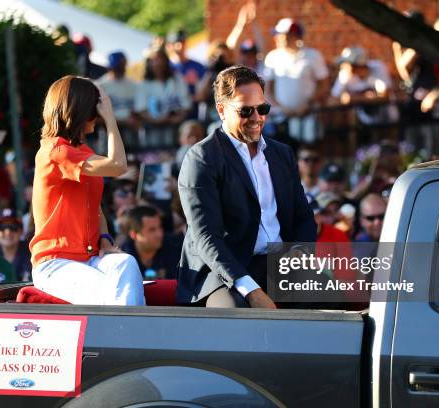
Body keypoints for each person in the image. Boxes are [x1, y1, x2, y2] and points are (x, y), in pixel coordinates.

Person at [178, 65, 316, 308]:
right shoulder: (202, 158)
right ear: (221, 110)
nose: (257, 118)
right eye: (245, 111)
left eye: (263, 108)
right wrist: (250, 290)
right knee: (237, 319)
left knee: (339, 304)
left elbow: (303, 217)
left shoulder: (281, 154)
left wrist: (299, 254)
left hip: (279, 265)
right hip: (223, 272)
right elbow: (206, 237)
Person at [29, 75, 145, 306]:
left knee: (126, 263)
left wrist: (103, 237)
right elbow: (118, 166)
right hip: (55, 263)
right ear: (82, 110)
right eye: (96, 106)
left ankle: (133, 336)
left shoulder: (79, 149)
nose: (99, 112)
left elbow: (94, 205)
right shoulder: (56, 151)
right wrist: (111, 118)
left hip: (88, 258)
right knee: (114, 292)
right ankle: (131, 338)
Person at [264, 18, 329, 142]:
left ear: (293, 35)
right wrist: (282, 108)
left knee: (308, 153)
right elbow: (267, 90)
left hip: (309, 115)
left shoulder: (313, 55)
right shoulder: (272, 57)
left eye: (281, 35)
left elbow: (324, 85)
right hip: (281, 118)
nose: (277, 38)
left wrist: (307, 104)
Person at [120, 205, 182, 279]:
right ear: (134, 235)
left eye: (160, 227)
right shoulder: (122, 259)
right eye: (151, 230)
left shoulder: (176, 247)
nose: (159, 234)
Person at [95, 51, 139, 150]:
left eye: (122, 64)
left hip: (129, 131)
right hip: (107, 131)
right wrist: (121, 122)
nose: (121, 67)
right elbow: (96, 118)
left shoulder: (133, 85)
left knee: (132, 159)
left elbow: (137, 110)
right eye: (118, 65)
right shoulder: (100, 85)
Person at [0, 208, 32, 281]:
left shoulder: (32, 253)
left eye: (13, 227)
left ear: (21, 231)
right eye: (2, 227)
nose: (8, 232)